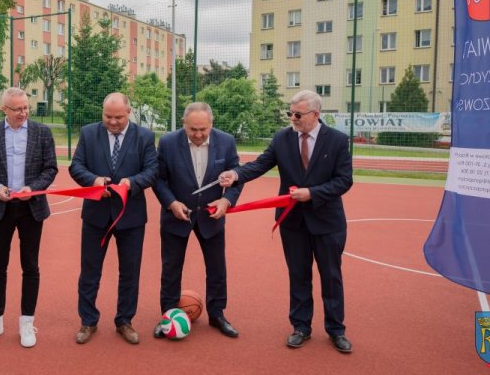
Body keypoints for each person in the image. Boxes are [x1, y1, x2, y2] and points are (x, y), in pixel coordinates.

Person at [219, 89, 354, 353]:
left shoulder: (337, 140)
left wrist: (312, 193)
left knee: (331, 276)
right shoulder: (282, 138)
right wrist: (235, 175)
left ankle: (336, 329)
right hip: (292, 222)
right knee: (298, 274)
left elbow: (344, 180)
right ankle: (301, 327)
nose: (292, 118)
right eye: (289, 113)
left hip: (327, 221)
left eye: (297, 114)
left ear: (316, 114)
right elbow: (259, 164)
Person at [0, 87, 58, 348]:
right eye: (17, 109)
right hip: (1, 208)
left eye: (25, 108)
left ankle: (26, 321)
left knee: (30, 265)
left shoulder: (42, 132)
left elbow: (50, 168)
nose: (23, 113)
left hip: (32, 208)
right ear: (4, 110)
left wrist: (32, 188)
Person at [69, 92, 157, 345]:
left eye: (118, 116)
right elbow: (76, 166)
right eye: (108, 116)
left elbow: (152, 170)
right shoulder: (88, 133)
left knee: (130, 272)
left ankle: (125, 321)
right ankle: (88, 321)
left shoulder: (145, 137)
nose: (113, 122)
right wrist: (93, 180)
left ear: (129, 112)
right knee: (89, 271)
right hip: (96, 215)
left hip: (131, 217)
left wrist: (132, 183)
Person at [153, 102, 243, 338]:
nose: (199, 134)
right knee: (171, 269)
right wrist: (171, 203)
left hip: (211, 216)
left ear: (211, 124)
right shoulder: (168, 142)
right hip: (176, 215)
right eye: (193, 129)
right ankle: (168, 316)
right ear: (184, 124)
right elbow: (158, 179)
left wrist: (227, 201)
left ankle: (217, 315)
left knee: (217, 268)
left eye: (203, 129)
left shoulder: (226, 141)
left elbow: (237, 176)